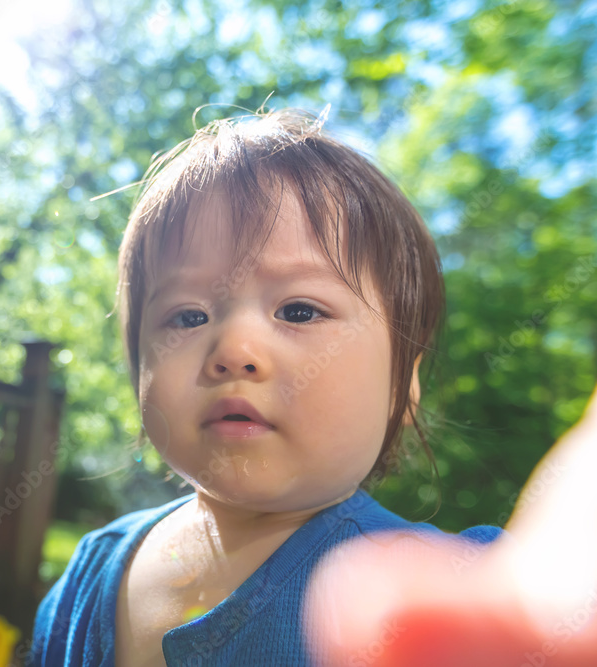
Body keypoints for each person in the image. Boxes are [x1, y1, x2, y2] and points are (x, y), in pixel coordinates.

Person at [30, 107, 597, 666]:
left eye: (300, 311)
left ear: (408, 381)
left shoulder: (457, 588)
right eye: (188, 316)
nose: (233, 352)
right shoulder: (90, 572)